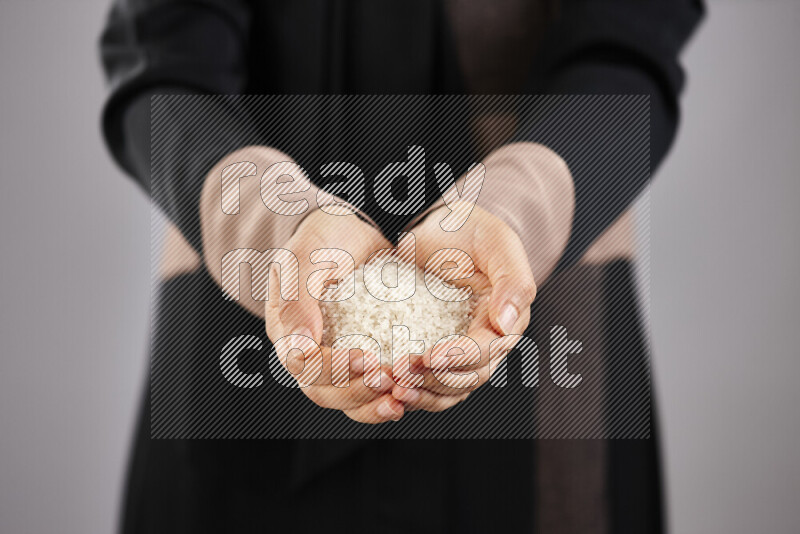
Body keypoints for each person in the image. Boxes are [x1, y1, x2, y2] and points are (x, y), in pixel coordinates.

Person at [100, 1, 703, 532]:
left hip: (534, 307)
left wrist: (519, 204)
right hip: (252, 311)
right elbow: (164, 62)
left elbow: (630, 43)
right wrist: (276, 224)